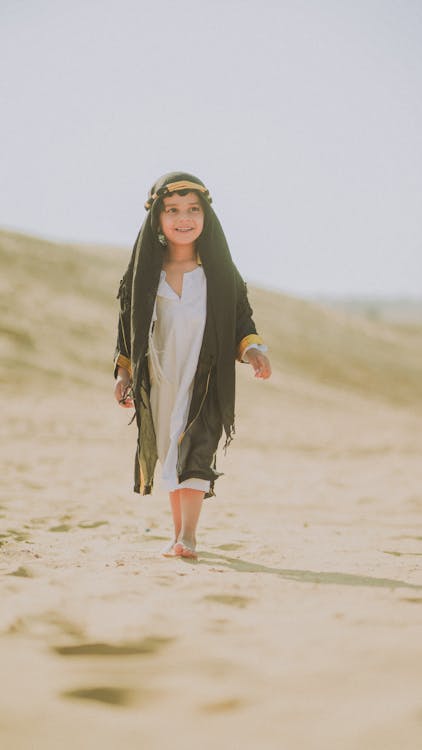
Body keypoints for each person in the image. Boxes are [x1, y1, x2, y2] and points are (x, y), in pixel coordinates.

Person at [113, 172, 271, 559]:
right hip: (160, 376)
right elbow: (126, 329)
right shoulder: (142, 274)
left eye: (192, 210)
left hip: (206, 376)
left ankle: (189, 536)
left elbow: (241, 320)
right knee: (171, 453)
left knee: (196, 449)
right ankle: (178, 534)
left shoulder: (220, 273)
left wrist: (252, 350)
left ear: (206, 216)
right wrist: (123, 373)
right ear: (157, 218)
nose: (184, 218)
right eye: (172, 210)